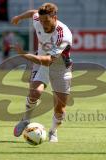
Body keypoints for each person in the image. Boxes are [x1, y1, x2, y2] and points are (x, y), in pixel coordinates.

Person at [11, 3, 73, 142]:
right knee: (35, 93)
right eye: (41, 19)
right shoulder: (38, 19)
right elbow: (33, 12)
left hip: (60, 67)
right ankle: (26, 120)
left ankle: (53, 131)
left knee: (60, 110)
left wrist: (24, 55)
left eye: (46, 20)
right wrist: (19, 17)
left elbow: (49, 60)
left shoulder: (63, 34)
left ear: (54, 17)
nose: (43, 23)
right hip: (40, 62)